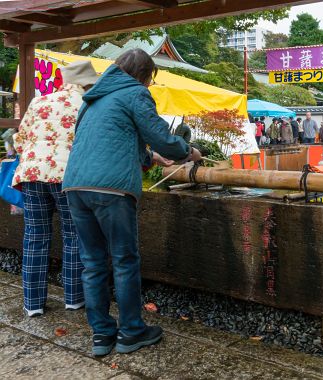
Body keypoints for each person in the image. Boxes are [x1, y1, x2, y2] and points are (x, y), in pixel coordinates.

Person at [63, 49, 202, 357]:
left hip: (75, 185)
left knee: (93, 263)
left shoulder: (93, 99)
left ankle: (101, 335)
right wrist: (187, 150)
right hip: (111, 189)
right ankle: (131, 332)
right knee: (124, 261)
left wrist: (148, 156)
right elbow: (162, 137)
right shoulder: (135, 92)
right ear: (143, 75)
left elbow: (113, 139)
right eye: (150, 79)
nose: (149, 85)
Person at [12, 61, 98, 318]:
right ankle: (73, 298)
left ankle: (33, 303)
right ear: (87, 83)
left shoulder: (39, 102)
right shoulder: (88, 104)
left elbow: (20, 139)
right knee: (74, 236)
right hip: (69, 178)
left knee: (35, 237)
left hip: (32, 175)